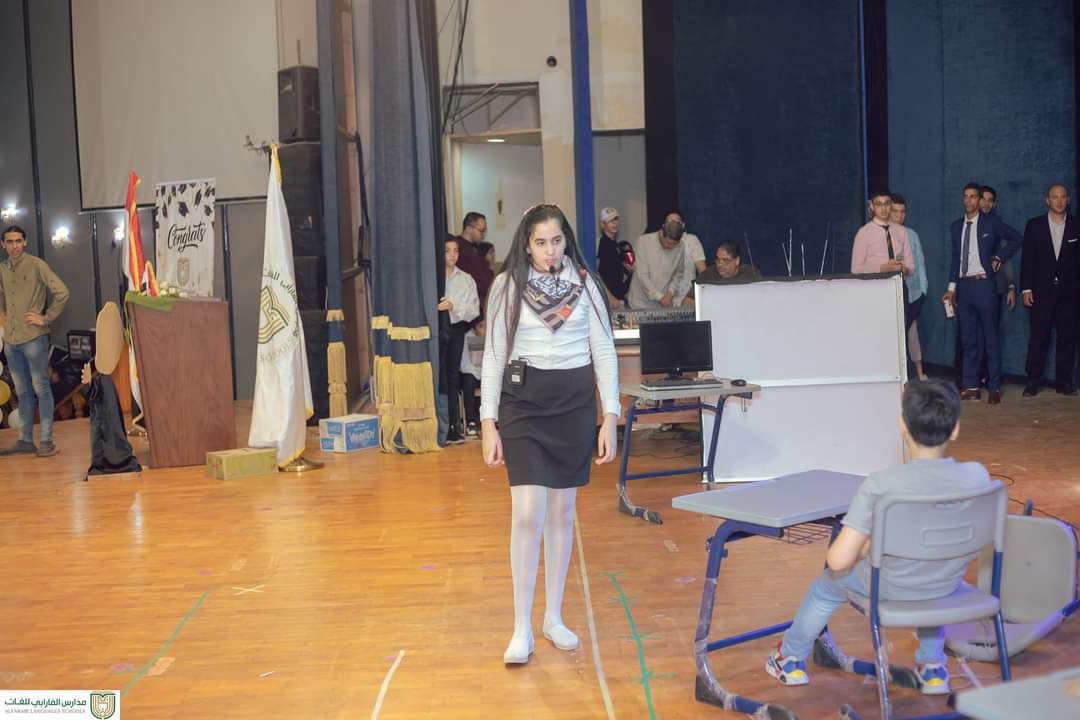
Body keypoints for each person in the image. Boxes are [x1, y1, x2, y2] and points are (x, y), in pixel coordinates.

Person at [765, 379, 989, 696]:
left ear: (902, 426)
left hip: (888, 587)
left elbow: (838, 560)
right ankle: (933, 668)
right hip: (946, 584)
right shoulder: (977, 476)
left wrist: (871, 544)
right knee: (932, 571)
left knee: (827, 585)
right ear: (955, 429)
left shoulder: (882, 484)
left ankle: (789, 658)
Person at [480, 204, 619, 665]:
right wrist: (487, 422)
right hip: (522, 405)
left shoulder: (585, 284)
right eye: (540, 242)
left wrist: (610, 416)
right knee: (527, 513)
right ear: (526, 244)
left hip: (573, 405)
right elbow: (494, 354)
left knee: (562, 512)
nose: (549, 250)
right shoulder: (507, 285)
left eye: (556, 241)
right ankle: (521, 627)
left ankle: (553, 617)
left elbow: (604, 350)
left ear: (566, 241)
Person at [942, 183, 1023, 404]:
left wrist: (1000, 257)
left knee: (990, 339)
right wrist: (951, 289)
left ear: (979, 200)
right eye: (966, 196)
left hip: (985, 285)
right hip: (964, 287)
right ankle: (971, 386)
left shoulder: (991, 222)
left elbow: (1017, 238)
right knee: (969, 340)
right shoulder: (956, 226)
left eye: (973, 196)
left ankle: (994, 387)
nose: (969, 200)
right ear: (963, 199)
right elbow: (955, 260)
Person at [0, 225, 70, 457]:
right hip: (11, 341)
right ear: (3, 245)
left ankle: (47, 441)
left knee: (41, 389)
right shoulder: (2, 269)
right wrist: (2, 316)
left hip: (33, 338)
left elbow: (62, 292)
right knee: (22, 392)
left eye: (18, 241)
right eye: (10, 242)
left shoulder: (36, 265)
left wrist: (45, 317)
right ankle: (25, 440)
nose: (14, 246)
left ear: (25, 242)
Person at [1021, 184, 1079, 396]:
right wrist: (1026, 289)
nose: (1059, 201)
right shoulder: (1034, 225)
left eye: (1063, 196)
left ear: (1068, 200)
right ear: (1047, 200)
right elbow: (1028, 259)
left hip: (1069, 294)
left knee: (1067, 339)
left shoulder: (1076, 226)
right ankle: (1032, 381)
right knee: (1038, 338)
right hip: (1041, 292)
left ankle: (1064, 383)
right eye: (1055, 197)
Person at [438, 237, 479, 444]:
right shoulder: (434, 278)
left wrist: (454, 306)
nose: (452, 255)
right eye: (448, 251)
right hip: (436, 330)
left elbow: (474, 310)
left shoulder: (466, 279)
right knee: (439, 376)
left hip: (456, 330)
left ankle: (454, 424)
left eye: (455, 251)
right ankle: (440, 425)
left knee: (453, 376)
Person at [626, 209, 697, 309]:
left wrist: (670, 293)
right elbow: (642, 275)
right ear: (661, 233)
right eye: (667, 243)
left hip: (662, 304)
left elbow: (678, 273)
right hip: (639, 303)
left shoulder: (681, 246)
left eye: (674, 245)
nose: (670, 247)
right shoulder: (643, 242)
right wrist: (660, 297)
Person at [891, 194, 929, 379]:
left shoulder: (912, 235)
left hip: (913, 293)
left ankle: (920, 373)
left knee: (912, 332)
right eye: (895, 211)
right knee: (894, 335)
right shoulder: (883, 236)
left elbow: (920, 262)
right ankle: (899, 374)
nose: (899, 215)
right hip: (892, 293)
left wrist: (923, 290)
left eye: (902, 211)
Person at [453, 212, 494, 310]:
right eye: (481, 231)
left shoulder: (476, 248)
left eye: (485, 231)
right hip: (470, 303)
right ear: (468, 229)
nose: (483, 235)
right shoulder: (459, 248)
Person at [596, 206, 633, 307]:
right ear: (603, 224)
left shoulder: (617, 246)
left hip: (618, 299)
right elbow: (595, 274)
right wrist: (610, 298)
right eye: (610, 221)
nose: (614, 223)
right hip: (606, 300)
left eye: (616, 219)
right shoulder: (599, 244)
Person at [459, 318, 486, 438]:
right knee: (468, 381)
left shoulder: (490, 336)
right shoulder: (467, 336)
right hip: (470, 371)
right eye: (481, 326)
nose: (484, 330)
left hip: (485, 371)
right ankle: (471, 422)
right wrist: (477, 373)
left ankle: (490, 419)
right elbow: (465, 363)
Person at [696, 241, 761, 282]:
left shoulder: (751, 274)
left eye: (725, 260)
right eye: (718, 260)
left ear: (737, 261)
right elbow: (690, 298)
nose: (719, 265)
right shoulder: (707, 275)